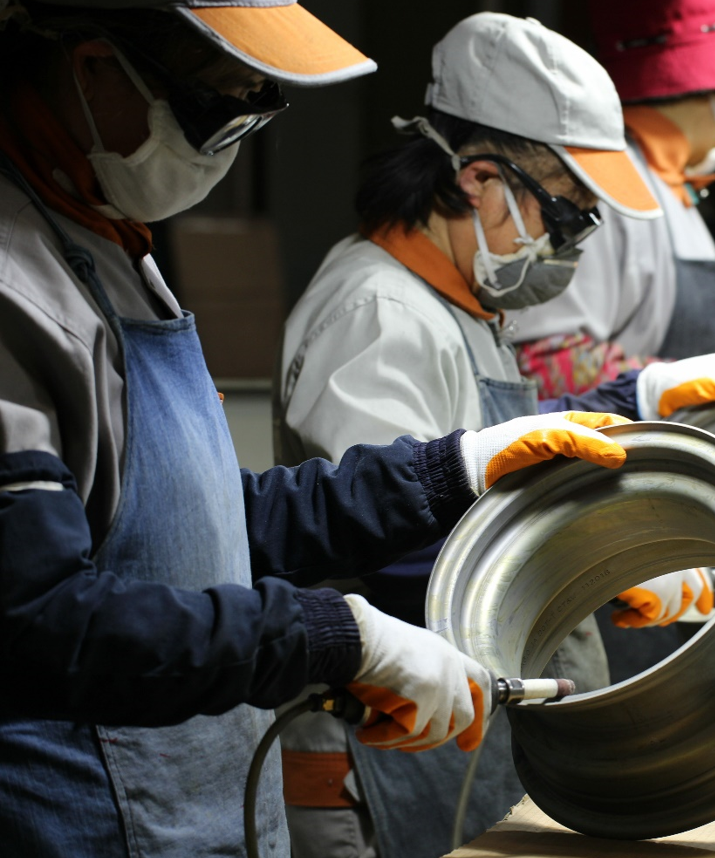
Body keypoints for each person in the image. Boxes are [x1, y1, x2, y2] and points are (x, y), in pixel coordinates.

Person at [0, 2, 640, 856]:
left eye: (258, 106)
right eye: (220, 103)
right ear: (92, 70)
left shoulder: (111, 248)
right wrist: (330, 635)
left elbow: (203, 527)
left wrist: (451, 469)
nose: (232, 142)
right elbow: (38, 618)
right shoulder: (19, 278)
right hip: (89, 817)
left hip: (196, 794)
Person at [274, 13, 715, 856]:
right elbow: (394, 539)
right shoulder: (377, 313)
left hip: (459, 736)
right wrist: (599, 563)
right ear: (480, 181)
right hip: (379, 755)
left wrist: (635, 396)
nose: (572, 246)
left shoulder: (460, 304)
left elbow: (494, 460)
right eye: (566, 215)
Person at [509, 0, 715, 398]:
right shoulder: (606, 187)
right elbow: (542, 364)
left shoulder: (671, 187)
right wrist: (678, 381)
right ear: (706, 94)